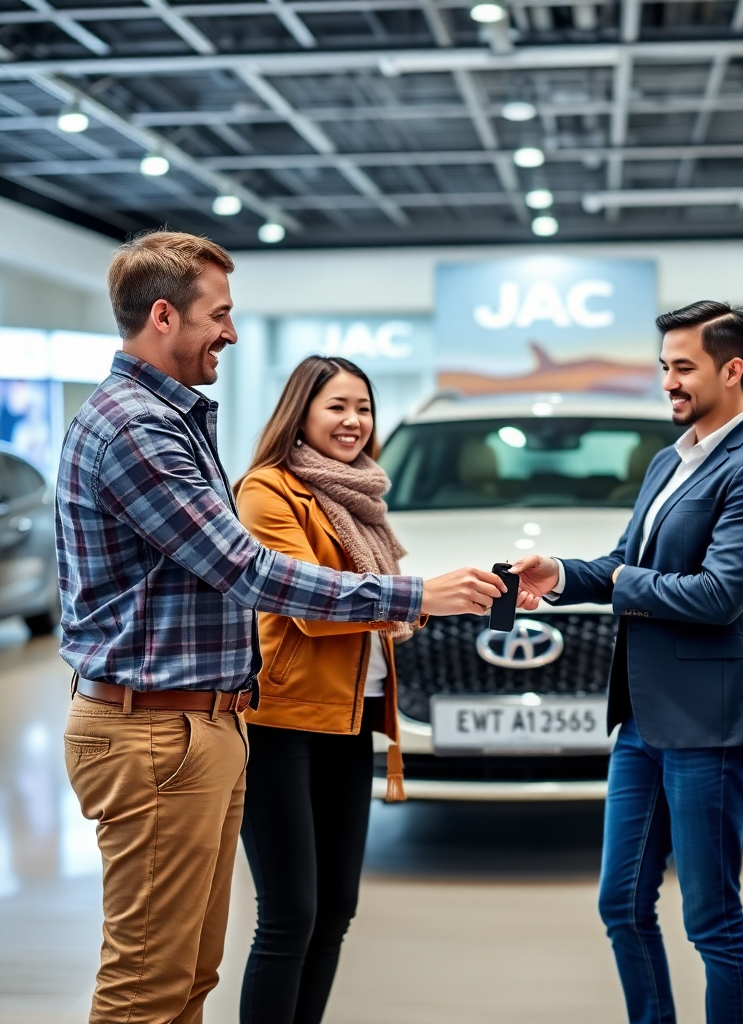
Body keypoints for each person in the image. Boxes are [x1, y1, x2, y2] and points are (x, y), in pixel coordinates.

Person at [57, 230, 505, 1024]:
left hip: (199, 725)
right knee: (146, 989)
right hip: (158, 731)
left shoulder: (172, 418)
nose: (230, 332)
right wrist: (410, 597)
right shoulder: (138, 428)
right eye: (219, 315)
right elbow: (251, 572)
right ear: (164, 316)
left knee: (190, 978)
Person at [513, 301, 743, 1024]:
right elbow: (626, 561)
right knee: (622, 903)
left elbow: (717, 595)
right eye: (664, 367)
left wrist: (613, 584)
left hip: (708, 722)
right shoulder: (672, 459)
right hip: (642, 716)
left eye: (683, 368)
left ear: (732, 370)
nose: (668, 382)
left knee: (711, 919)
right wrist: (563, 573)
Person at [233, 355, 411, 1023]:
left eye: (362, 407)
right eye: (337, 406)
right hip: (280, 720)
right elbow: (307, 603)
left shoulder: (361, 495)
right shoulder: (266, 491)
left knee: (335, 908)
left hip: (352, 713)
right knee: (289, 915)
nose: (354, 420)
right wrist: (421, 598)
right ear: (300, 411)